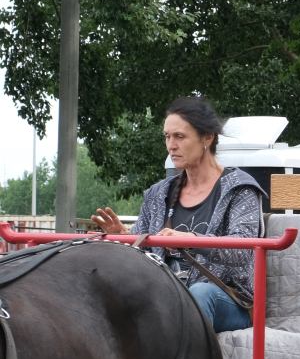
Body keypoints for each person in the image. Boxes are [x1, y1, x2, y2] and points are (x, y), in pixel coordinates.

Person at [91, 97, 266, 332]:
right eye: (167, 136)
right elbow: (143, 253)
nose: (171, 145)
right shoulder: (158, 193)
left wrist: (191, 240)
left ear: (207, 138)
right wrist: (124, 237)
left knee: (200, 293)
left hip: (228, 299)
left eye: (180, 136)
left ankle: (182, 356)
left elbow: (243, 251)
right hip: (166, 292)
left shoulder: (240, 189)